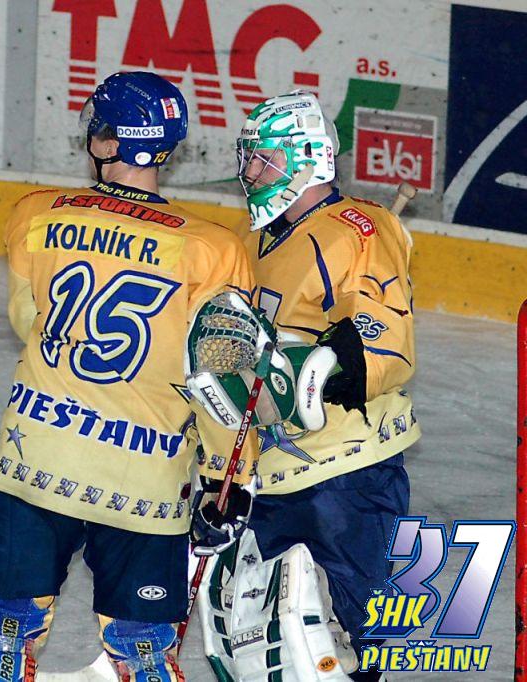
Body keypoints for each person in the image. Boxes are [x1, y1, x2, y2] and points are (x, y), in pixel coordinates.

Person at [0, 72, 254, 681]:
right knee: (145, 653)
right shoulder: (214, 249)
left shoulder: (36, 213)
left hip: (35, 458)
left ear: (106, 141)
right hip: (146, 479)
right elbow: (223, 380)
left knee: (7, 644)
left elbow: (26, 319)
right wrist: (226, 477)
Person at [188, 90, 417, 681]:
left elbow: (387, 340)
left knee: (361, 634)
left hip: (347, 470)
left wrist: (338, 362)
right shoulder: (251, 240)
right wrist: (223, 472)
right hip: (273, 470)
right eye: (248, 158)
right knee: (272, 638)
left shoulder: (357, 229)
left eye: (264, 159)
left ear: (308, 158)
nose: (250, 173)